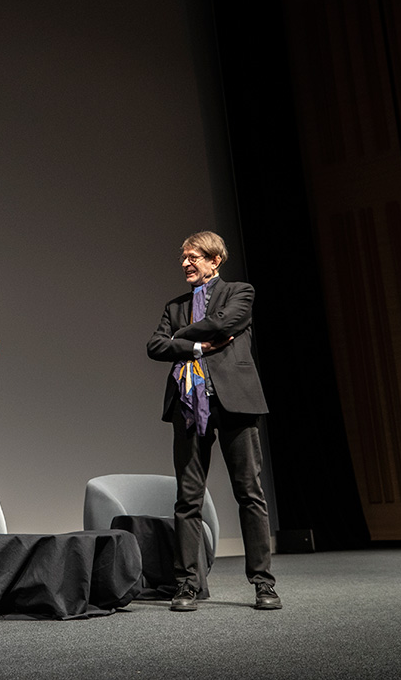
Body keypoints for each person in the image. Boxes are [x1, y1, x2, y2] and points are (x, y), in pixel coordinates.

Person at [145, 231, 282, 612]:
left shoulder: (241, 291)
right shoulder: (175, 305)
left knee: (249, 493)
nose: (185, 263)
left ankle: (263, 584)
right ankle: (188, 584)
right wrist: (197, 346)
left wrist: (180, 338)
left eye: (193, 257)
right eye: (183, 257)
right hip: (188, 405)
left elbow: (226, 322)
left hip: (235, 401)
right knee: (187, 499)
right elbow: (155, 346)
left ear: (214, 260)